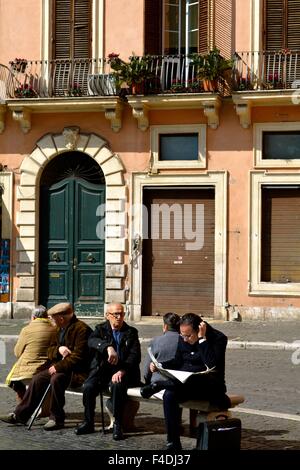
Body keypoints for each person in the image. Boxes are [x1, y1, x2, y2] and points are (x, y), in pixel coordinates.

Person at [141, 313, 230, 452]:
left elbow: (211, 364)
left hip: (209, 387)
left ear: (200, 329)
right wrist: (160, 365)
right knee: (169, 395)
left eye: (188, 336)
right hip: (184, 385)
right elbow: (178, 361)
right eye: (182, 335)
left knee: (191, 381)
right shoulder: (184, 336)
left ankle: (159, 385)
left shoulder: (218, 339)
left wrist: (202, 340)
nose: (184, 339)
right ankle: (173, 442)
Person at [0, 302, 92, 430]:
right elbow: (50, 350)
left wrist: (58, 367)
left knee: (56, 379)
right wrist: (59, 349)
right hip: (60, 367)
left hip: (76, 371)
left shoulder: (82, 329)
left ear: (61, 318)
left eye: (53, 318)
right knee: (38, 378)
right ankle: (20, 415)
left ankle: (56, 418)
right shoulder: (59, 328)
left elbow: (79, 357)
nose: (51, 321)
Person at [75, 302, 141, 441]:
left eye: (121, 314)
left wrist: (122, 370)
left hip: (125, 372)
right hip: (102, 372)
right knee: (88, 386)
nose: (119, 317)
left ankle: (118, 424)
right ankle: (88, 422)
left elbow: (135, 357)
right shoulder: (100, 329)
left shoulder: (131, 332)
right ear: (107, 316)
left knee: (117, 385)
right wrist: (107, 347)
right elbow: (91, 341)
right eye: (115, 314)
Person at [5, 305, 56, 401]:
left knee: (16, 383)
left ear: (33, 317)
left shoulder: (26, 330)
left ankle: (23, 405)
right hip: (48, 369)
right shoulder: (54, 329)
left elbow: (17, 352)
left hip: (27, 372)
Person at [143, 312, 180, 388]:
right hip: (178, 383)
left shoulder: (156, 341)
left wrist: (147, 382)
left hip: (158, 383)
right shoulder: (186, 341)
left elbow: (147, 369)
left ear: (165, 326)